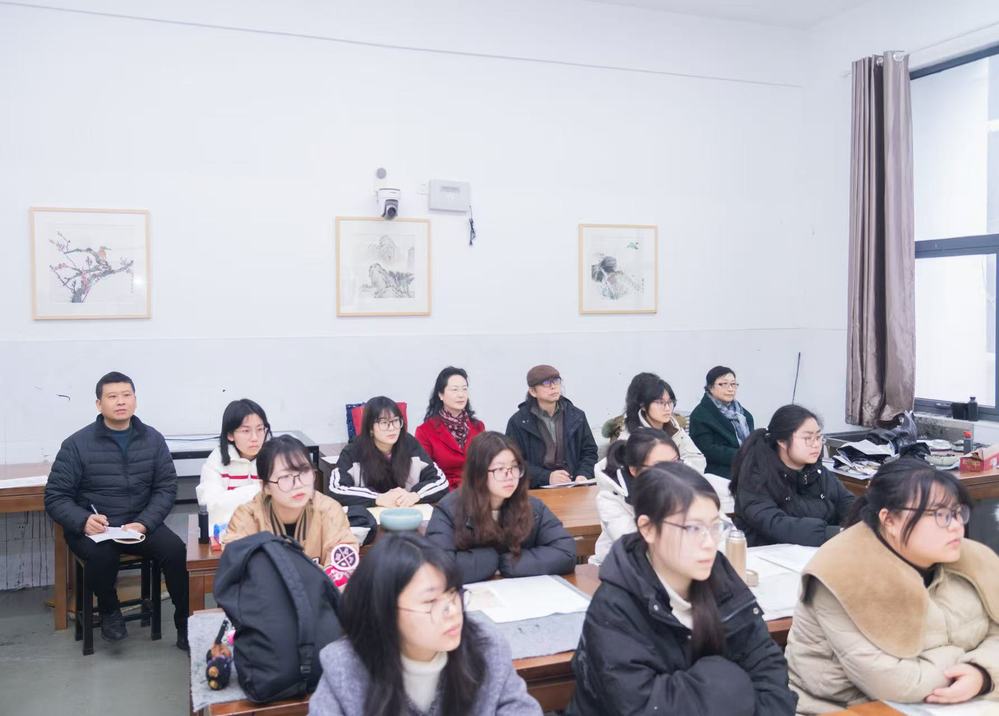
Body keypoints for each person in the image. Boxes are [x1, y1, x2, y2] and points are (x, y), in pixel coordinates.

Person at [568, 463, 797, 715]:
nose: (709, 543)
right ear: (648, 529)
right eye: (692, 528)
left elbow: (770, 675)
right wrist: (730, 686)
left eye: (715, 526)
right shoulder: (614, 608)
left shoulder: (721, 578)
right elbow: (641, 707)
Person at [786, 458, 999, 713]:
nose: (956, 526)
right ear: (890, 520)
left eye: (957, 513)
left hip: (955, 705)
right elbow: (898, 683)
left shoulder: (970, 559)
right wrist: (964, 663)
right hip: (844, 708)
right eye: (940, 515)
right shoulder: (842, 573)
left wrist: (980, 673)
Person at [310, 533, 543, 716]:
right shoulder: (345, 666)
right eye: (431, 602)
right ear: (384, 610)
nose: (453, 611)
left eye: (452, 593)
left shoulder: (487, 649)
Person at [44, 371, 189, 650]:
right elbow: (55, 497)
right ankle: (110, 611)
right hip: (95, 527)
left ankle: (185, 624)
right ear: (99, 404)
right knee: (103, 554)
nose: (120, 402)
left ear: (135, 400)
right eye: (112, 397)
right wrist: (84, 520)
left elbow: (166, 488)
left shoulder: (153, 439)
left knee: (175, 550)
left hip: (139, 524)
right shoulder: (76, 444)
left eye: (126, 395)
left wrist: (144, 523)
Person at [425, 432, 576, 584]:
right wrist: (490, 561)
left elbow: (566, 552)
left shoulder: (533, 508)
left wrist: (509, 564)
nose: (509, 476)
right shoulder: (449, 510)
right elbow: (438, 567)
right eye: (499, 469)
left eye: (514, 467)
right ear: (478, 473)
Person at [224, 435, 358, 573]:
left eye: (304, 472)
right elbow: (237, 566)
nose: (298, 484)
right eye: (285, 477)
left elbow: (343, 564)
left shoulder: (329, 510)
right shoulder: (246, 517)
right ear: (265, 486)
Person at [730, 404, 854, 547]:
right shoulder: (756, 477)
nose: (816, 444)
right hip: (768, 554)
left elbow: (848, 504)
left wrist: (863, 520)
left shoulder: (820, 473)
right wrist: (831, 533)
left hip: (818, 551)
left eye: (819, 437)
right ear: (782, 441)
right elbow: (775, 524)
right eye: (808, 438)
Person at [331, 396, 448, 508]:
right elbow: (336, 489)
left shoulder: (410, 445)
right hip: (367, 517)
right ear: (370, 428)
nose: (392, 428)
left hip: (406, 513)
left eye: (395, 421)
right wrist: (378, 498)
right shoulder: (353, 451)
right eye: (384, 423)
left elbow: (440, 481)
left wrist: (415, 495)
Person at [591, 428, 680, 565]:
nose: (672, 472)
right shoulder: (610, 498)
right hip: (619, 569)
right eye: (660, 466)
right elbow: (637, 548)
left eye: (675, 462)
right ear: (634, 470)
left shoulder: (686, 488)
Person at [505, 364, 598, 487]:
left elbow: (590, 452)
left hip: (575, 484)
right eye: (546, 383)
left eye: (556, 381)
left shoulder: (576, 416)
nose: (553, 386)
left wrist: (583, 474)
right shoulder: (518, 422)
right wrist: (547, 477)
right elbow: (514, 462)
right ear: (533, 391)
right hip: (536, 489)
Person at [601, 372, 706, 473]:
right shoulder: (630, 437)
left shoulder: (673, 427)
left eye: (670, 402)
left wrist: (677, 469)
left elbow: (698, 459)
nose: (667, 408)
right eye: (660, 402)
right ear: (643, 405)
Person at [195, 398, 271, 531]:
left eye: (260, 429)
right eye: (246, 431)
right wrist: (259, 489)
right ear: (230, 434)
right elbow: (210, 505)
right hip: (228, 531)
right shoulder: (217, 459)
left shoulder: (274, 457)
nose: (255, 438)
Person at [415, 367, 486, 491]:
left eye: (464, 389)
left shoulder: (478, 427)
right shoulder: (425, 431)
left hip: (477, 490)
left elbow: (486, 463)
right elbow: (426, 473)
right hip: (444, 493)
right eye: (455, 390)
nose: (461, 394)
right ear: (440, 394)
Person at [689, 366, 755, 478]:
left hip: (746, 465)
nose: (730, 389)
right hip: (717, 471)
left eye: (733, 384)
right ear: (710, 387)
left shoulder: (744, 415)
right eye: (723, 384)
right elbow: (707, 449)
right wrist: (742, 455)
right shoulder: (700, 415)